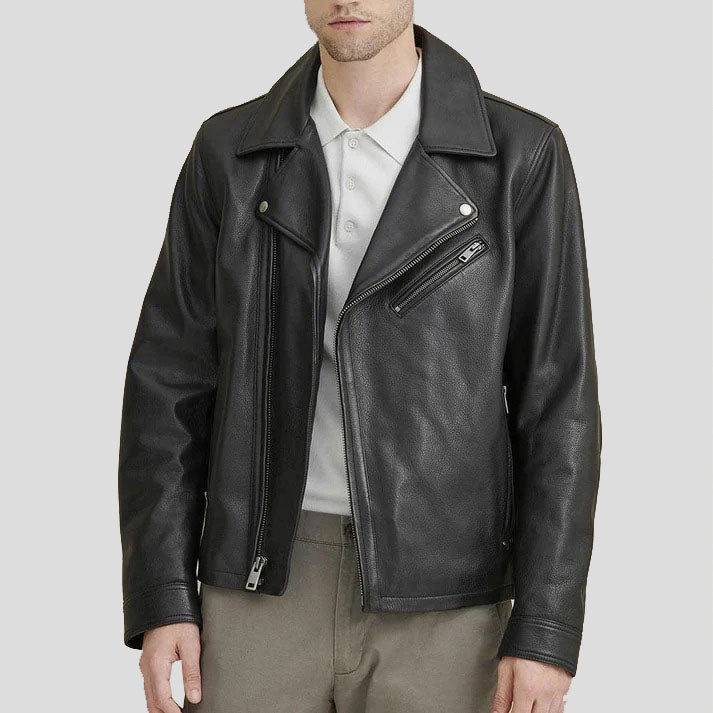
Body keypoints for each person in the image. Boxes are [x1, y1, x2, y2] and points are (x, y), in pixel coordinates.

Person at [118, 3, 602, 712]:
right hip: (257, 580)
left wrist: (545, 628)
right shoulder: (230, 153)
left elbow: (558, 404)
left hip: (446, 597)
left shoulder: (519, 155)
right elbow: (167, 384)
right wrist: (163, 592)